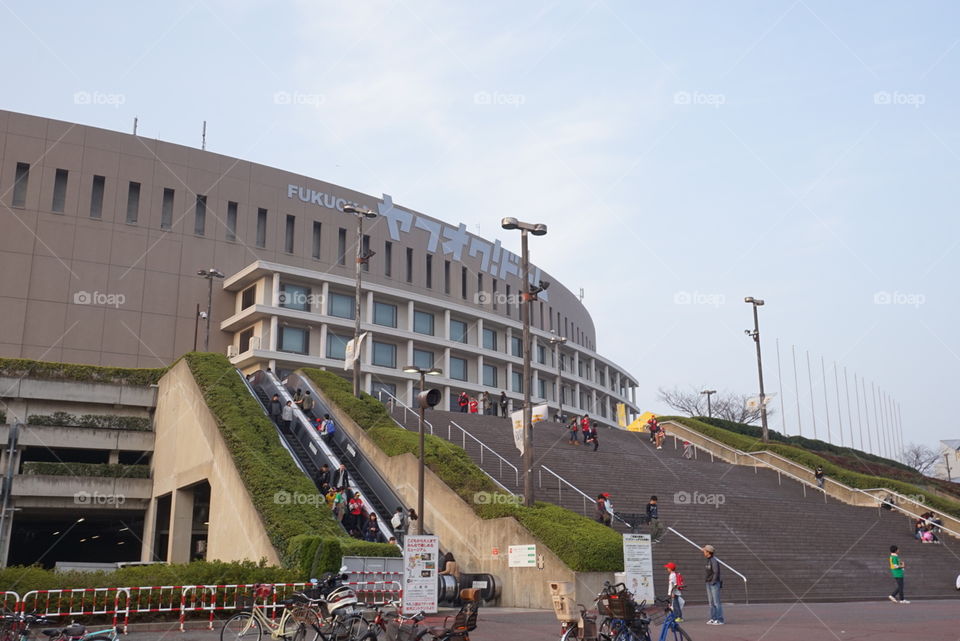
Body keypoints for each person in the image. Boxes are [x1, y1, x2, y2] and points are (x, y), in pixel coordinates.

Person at [703, 544, 724, 625]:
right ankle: (713, 618)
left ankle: (720, 619)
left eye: (705, 551)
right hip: (709, 582)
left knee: (716, 602)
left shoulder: (714, 560)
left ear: (708, 552)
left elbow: (716, 572)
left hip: (714, 583)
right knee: (711, 602)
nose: (703, 552)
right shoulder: (709, 560)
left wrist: (713, 581)